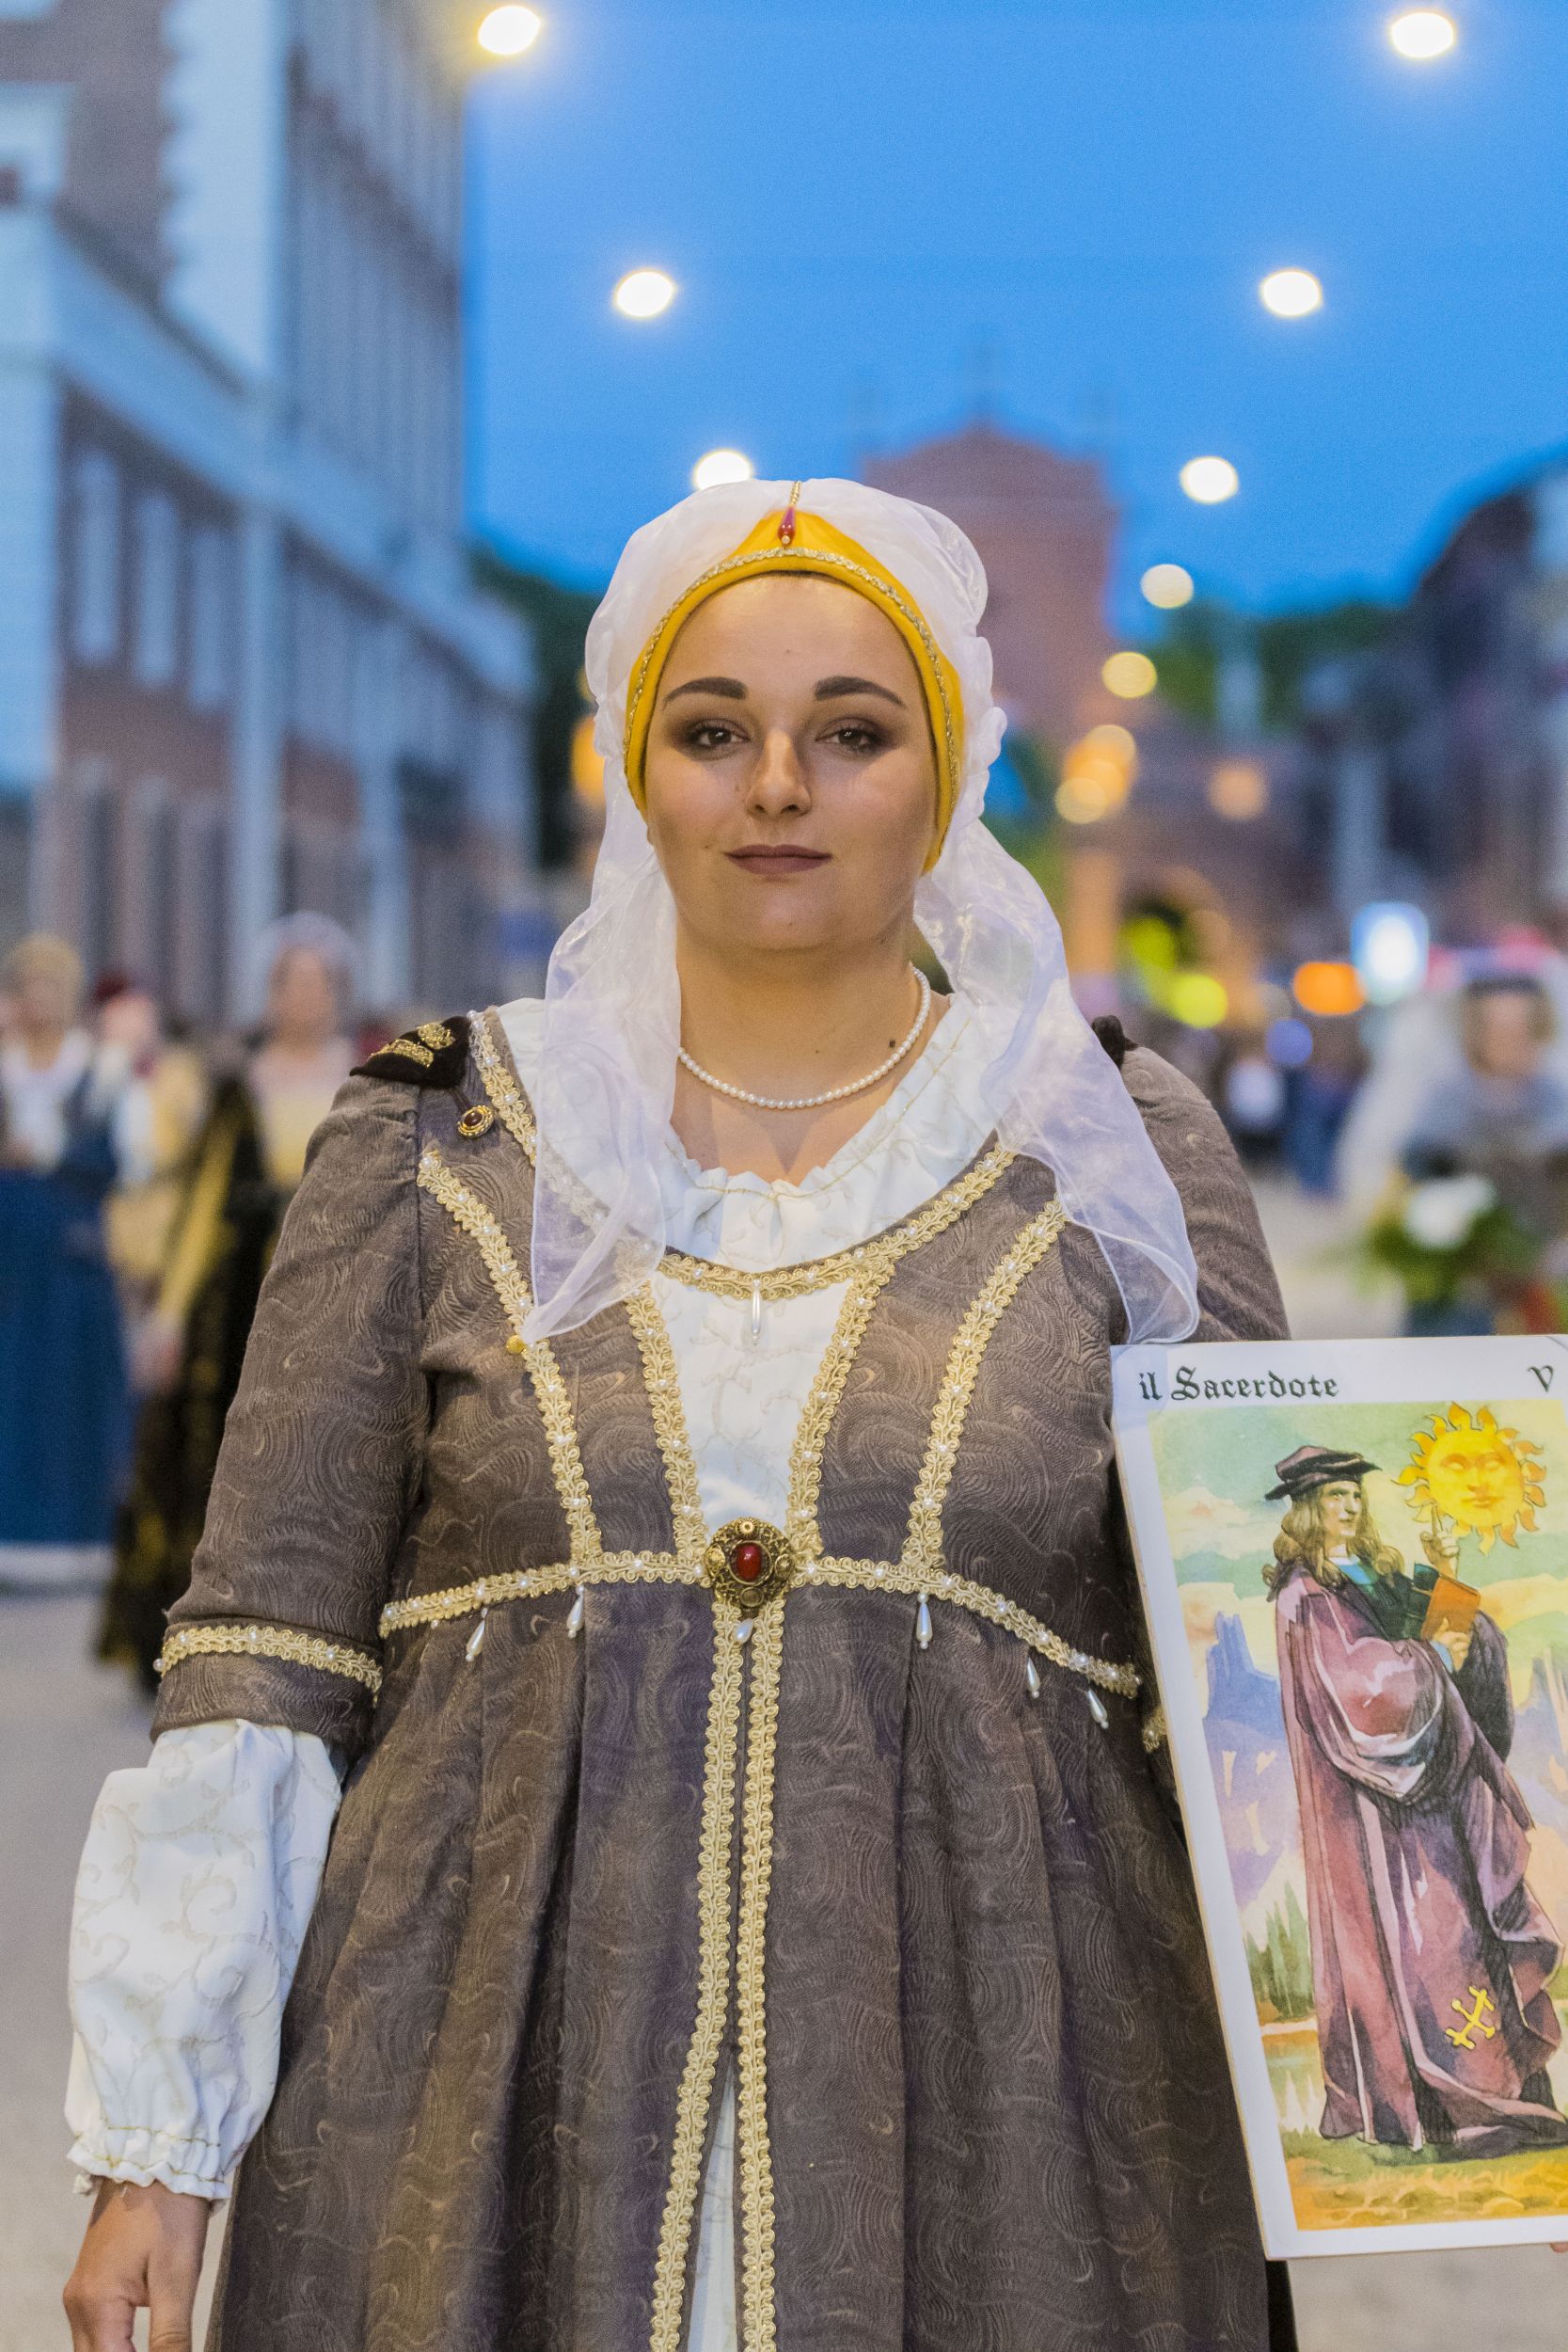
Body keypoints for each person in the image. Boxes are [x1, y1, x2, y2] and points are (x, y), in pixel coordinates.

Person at [64, 482, 1297, 2352]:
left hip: (1011, 2085)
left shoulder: (1118, 1138)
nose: (776, 781)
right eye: (710, 728)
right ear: (636, 772)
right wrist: (157, 2144)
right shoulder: (434, 1132)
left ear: (943, 777)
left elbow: (1278, 1658)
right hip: (479, 2077)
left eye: (850, 731)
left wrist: (1443, 2109)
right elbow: (262, 1653)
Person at [1265, 1445, 1566, 2157]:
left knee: (1469, 1939)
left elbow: (1451, 1641)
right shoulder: (1306, 1597)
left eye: (1353, 1494)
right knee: (1428, 1948)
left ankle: (1511, 2095)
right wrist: (1429, 1654)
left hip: (1437, 1801)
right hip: (1384, 1818)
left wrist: (1448, 1581)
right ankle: (1448, 2108)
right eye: (1333, 1496)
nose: (1347, 1506)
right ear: (1306, 1510)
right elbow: (1364, 1694)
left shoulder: (1378, 1573)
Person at [96, 917, 356, 1687]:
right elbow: (203, 1204)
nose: (304, 997)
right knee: (225, 1463)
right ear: (272, 993)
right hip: (243, 1303)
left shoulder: (370, 1078)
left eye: (318, 984)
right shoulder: (239, 1087)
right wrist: (168, 1317)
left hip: (342, 1292)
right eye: (291, 982)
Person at [0, 934, 150, 1591]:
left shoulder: (102, 1072)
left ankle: (76, 1534)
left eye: (54, 986)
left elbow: (130, 1164)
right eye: (29, 985)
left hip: (70, 1262)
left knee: (71, 1392)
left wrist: (62, 1156)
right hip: (9, 1261)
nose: (41, 1000)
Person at [92, 976, 210, 1351]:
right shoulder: (99, 1072)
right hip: (110, 1226)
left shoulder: (180, 1071)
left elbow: (197, 1138)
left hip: (165, 1221)